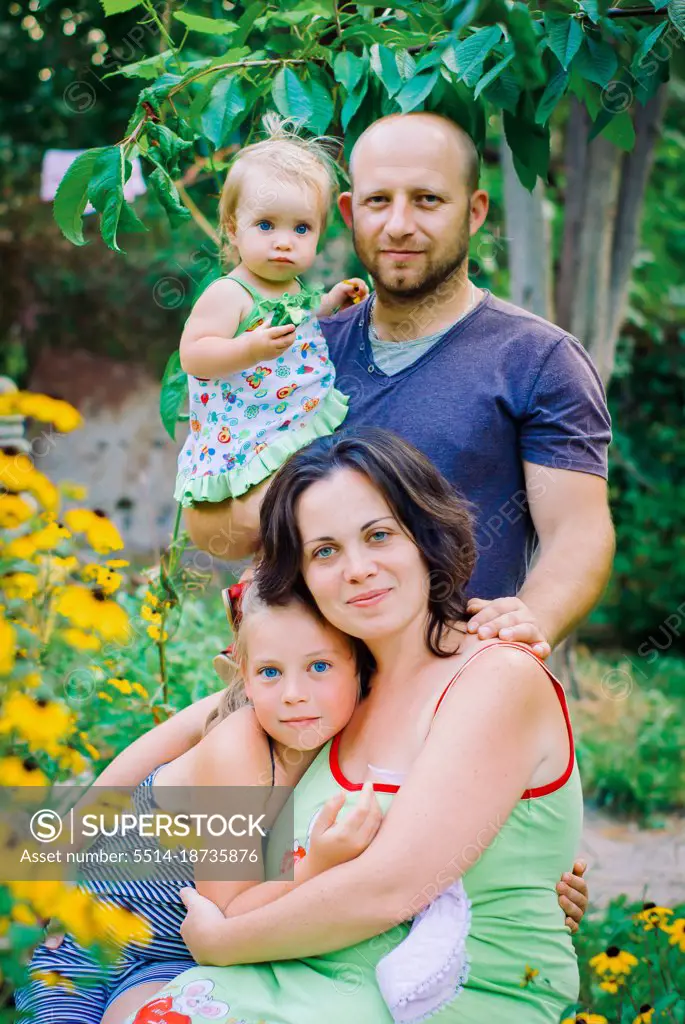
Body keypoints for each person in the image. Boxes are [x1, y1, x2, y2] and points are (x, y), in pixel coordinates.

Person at [124, 427, 586, 1024]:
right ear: (303, 580)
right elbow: (202, 726)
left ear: (426, 537)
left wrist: (221, 942)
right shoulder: (337, 689)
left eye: (379, 535)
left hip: (447, 998)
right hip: (309, 975)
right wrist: (62, 841)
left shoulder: (495, 672)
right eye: (324, 551)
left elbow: (392, 885)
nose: (358, 569)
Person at [211, 111, 614, 664]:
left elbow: (578, 532)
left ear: (473, 213)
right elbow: (219, 523)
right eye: (379, 201)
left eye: (427, 199)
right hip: (307, 703)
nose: (399, 225)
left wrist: (531, 618)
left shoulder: (538, 359)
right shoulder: (295, 350)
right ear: (350, 213)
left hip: (457, 695)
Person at [16, 589, 381, 1024]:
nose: (293, 694)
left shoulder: (323, 722)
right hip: (84, 948)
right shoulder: (244, 741)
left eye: (319, 666)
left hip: (172, 957)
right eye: (270, 672)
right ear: (245, 677)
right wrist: (315, 866)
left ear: (360, 668)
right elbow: (227, 911)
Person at [175, 113, 368, 556]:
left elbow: (299, 320)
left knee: (309, 499)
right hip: (246, 431)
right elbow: (195, 354)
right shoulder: (230, 293)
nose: (284, 241)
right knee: (280, 506)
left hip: (287, 419)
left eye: (301, 229)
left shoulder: (294, 287)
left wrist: (331, 301)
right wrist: (250, 347)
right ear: (232, 228)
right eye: (266, 225)